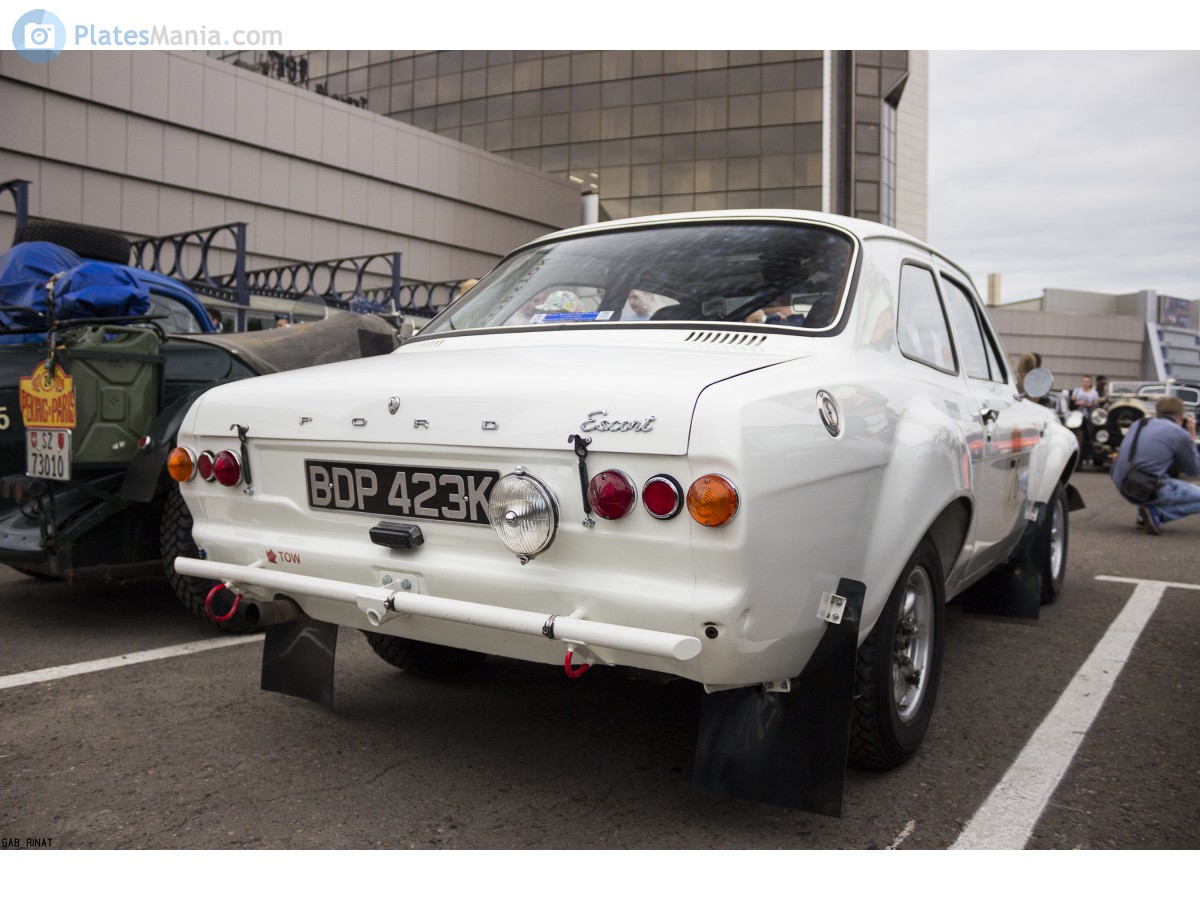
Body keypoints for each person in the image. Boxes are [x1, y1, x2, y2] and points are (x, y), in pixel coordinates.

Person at [1110, 396, 1200, 534]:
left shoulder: (1139, 423)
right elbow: (1193, 470)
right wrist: (1191, 437)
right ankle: (1158, 514)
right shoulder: (1179, 434)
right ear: (1182, 416)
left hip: (1123, 483)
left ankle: (1144, 515)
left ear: (1157, 412)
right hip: (1147, 489)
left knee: (1160, 475)